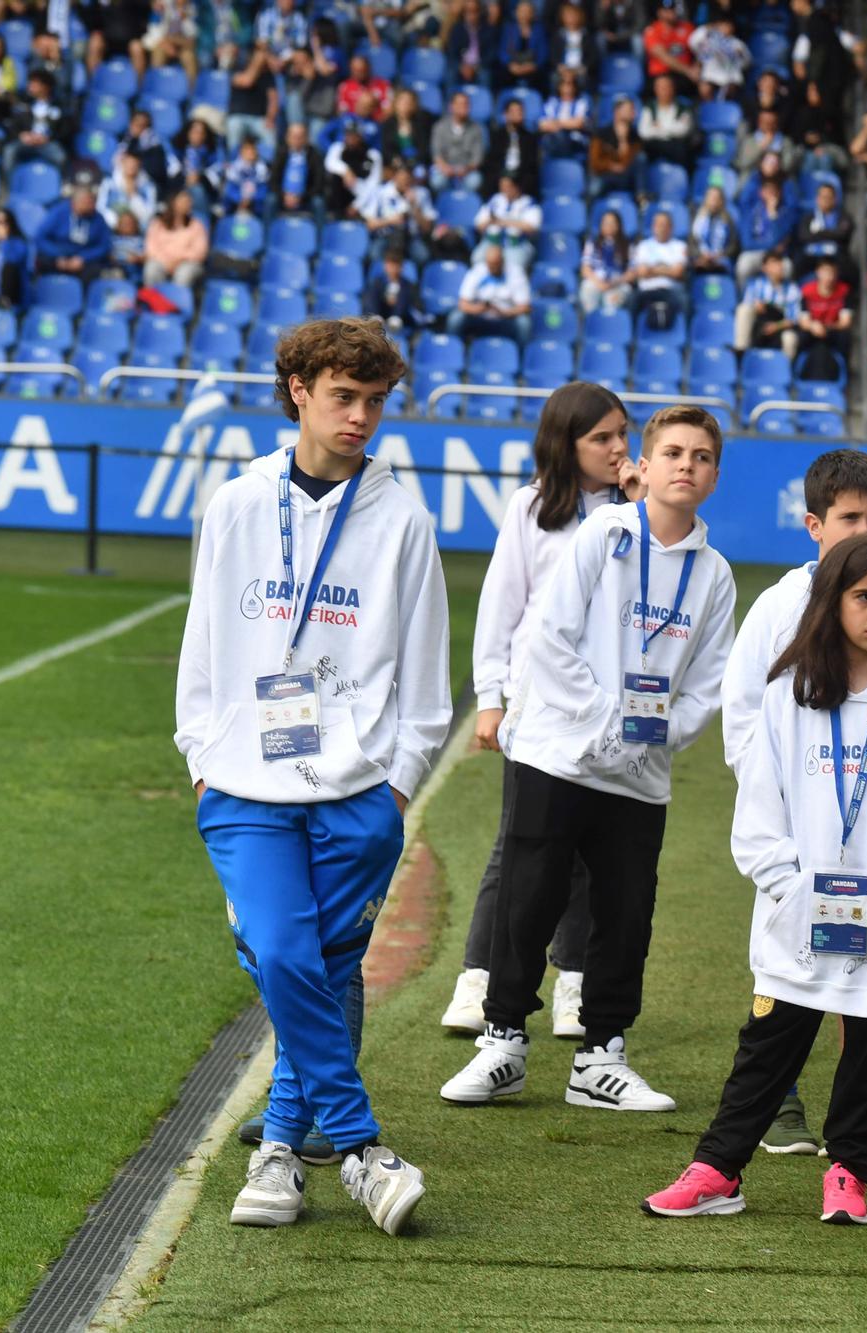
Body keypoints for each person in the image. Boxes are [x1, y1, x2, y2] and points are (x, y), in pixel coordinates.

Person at [175, 319, 447, 1236]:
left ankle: (280, 1156)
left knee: (327, 970)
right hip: (244, 787)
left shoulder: (403, 519)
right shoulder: (239, 503)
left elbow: (426, 675)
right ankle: (364, 1147)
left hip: (357, 793)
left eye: (374, 401)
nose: (362, 416)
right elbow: (205, 642)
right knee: (287, 958)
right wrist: (200, 760)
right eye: (344, 397)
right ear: (298, 389)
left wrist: (397, 786)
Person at [642, 532, 867, 1226]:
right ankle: (718, 1169)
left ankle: (848, 1170)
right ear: (831, 602)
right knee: (770, 1042)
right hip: (798, 915)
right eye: (864, 596)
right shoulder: (789, 695)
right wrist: (790, 890)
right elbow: (759, 812)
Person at [441, 407, 736, 1111]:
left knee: (625, 913)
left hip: (639, 775)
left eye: (700, 456)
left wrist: (654, 736)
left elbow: (708, 683)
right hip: (558, 753)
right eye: (672, 451)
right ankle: (503, 1041)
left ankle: (601, 1056)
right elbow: (549, 637)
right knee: (529, 897)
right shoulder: (606, 535)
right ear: (648, 460)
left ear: (715, 475)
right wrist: (607, 720)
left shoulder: (714, 574)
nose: (686, 465)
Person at [719, 450, 867, 1130]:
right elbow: (745, 720)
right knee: (787, 970)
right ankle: (782, 1096)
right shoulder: (778, 606)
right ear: (814, 524)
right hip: (803, 826)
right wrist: (788, 808)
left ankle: (854, 1121)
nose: (864, 530)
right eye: (850, 517)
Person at [441, 384, 641, 1034]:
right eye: (601, 437)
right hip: (537, 707)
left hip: (607, 707)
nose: (617, 448)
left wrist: (640, 507)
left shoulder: (640, 512)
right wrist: (491, 700)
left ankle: (573, 985)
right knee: (518, 846)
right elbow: (502, 607)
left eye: (622, 434)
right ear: (567, 443)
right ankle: (481, 978)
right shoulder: (532, 507)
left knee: (590, 851)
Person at [449, 243, 533, 345]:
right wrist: (478, 309)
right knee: (456, 318)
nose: (492, 268)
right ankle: (455, 352)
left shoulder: (515, 272)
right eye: (490, 264)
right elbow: (462, 303)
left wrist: (506, 312)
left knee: (523, 323)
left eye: (496, 264)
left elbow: (525, 307)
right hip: (480, 316)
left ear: (502, 261)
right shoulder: (477, 271)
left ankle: (521, 355)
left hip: (506, 317)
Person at [34, 186, 111, 281]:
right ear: (74, 203)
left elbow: (104, 246)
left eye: (92, 202)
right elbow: (40, 237)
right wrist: (57, 256)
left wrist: (83, 258)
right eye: (86, 202)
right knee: (42, 259)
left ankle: (83, 295)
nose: (91, 205)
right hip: (58, 255)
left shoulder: (98, 219)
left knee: (97, 268)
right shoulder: (59, 212)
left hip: (83, 259)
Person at [736, 250, 802, 359]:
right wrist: (755, 306)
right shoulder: (755, 285)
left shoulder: (792, 289)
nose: (778, 266)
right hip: (759, 324)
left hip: (780, 326)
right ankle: (741, 351)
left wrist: (776, 326)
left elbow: (794, 319)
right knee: (744, 309)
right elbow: (747, 305)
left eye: (780, 262)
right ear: (765, 268)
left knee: (790, 338)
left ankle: (785, 370)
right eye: (774, 263)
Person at [143, 189, 208, 289]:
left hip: (186, 263)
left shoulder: (197, 225)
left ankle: (178, 303)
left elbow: (200, 252)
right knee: (151, 268)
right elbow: (151, 248)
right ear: (173, 202)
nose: (188, 204)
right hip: (162, 261)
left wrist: (179, 259)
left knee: (184, 273)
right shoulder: (158, 224)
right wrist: (166, 260)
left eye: (189, 202)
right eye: (183, 201)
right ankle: (154, 302)